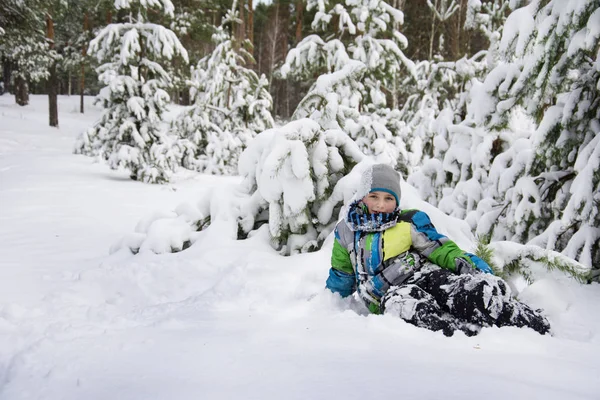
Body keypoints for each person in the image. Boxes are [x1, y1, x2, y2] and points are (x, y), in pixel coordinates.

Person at [326, 163, 550, 336]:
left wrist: (469, 264)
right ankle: (455, 332)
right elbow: (342, 275)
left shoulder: (407, 221)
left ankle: (520, 318)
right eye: (373, 196)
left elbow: (440, 249)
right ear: (362, 196)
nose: (381, 205)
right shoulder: (347, 232)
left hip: (427, 276)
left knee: (465, 293)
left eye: (388, 198)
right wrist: (328, 301)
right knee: (403, 305)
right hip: (390, 294)